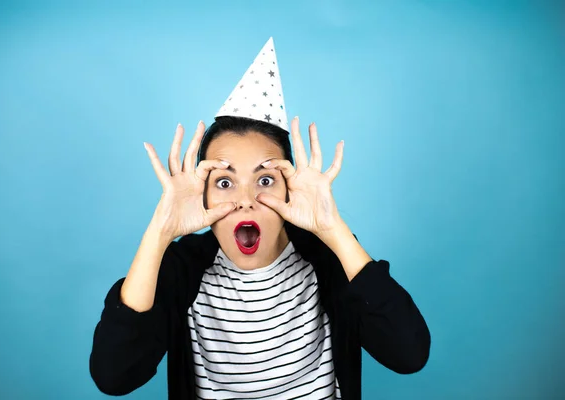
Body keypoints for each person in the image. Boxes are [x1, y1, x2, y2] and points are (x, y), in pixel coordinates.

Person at [89, 38, 430, 399]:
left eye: (264, 180)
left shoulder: (328, 257)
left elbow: (409, 355)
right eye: (224, 182)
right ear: (203, 194)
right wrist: (159, 232)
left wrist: (334, 230)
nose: (245, 201)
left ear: (290, 191)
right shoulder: (180, 269)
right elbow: (114, 377)